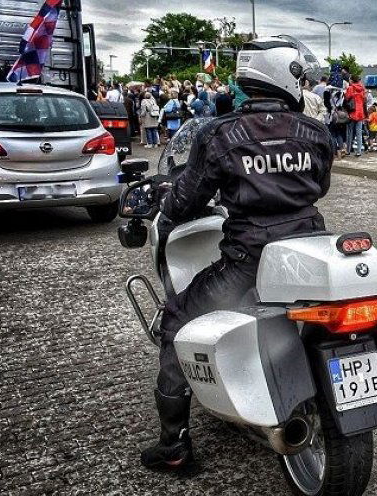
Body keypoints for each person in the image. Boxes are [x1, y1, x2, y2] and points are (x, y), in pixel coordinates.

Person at [139, 36, 332, 471]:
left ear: (248, 77)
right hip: (308, 250)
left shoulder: (220, 133)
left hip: (249, 261)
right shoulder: (315, 131)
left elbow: (188, 197)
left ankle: (173, 445)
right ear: (288, 76)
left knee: (177, 319)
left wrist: (165, 214)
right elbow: (320, 186)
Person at [343, 75, 367, 157]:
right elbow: (364, 100)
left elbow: (346, 98)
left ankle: (348, 150)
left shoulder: (350, 88)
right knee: (359, 133)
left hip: (352, 113)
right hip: (360, 113)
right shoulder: (362, 88)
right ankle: (359, 151)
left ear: (352, 80)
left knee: (349, 132)